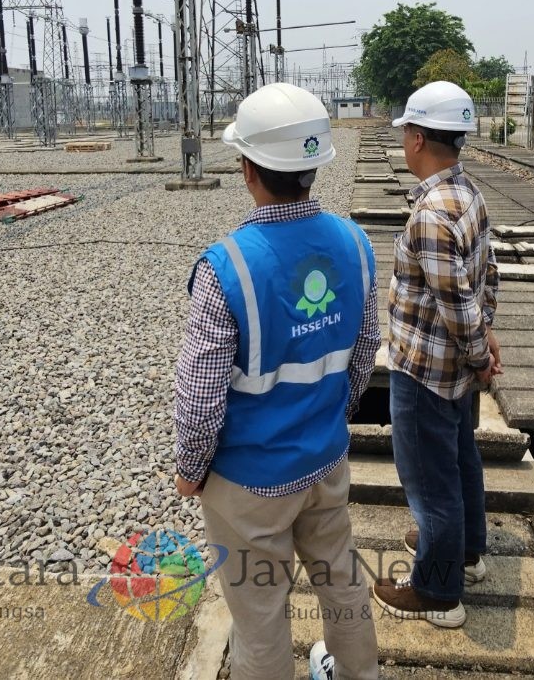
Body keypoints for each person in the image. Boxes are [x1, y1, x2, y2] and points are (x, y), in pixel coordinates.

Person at [173, 82, 380, 680]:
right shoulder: (356, 243)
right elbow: (365, 350)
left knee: (259, 613)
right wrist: (333, 417)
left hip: (251, 482)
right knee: (340, 579)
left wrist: (191, 467)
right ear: (314, 166)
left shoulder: (228, 266)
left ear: (248, 168)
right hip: (325, 460)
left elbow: (201, 394)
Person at [371, 81, 501, 628]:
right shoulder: (469, 194)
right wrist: (485, 342)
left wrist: (481, 355)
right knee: (460, 459)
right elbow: (485, 276)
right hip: (454, 373)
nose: (404, 140)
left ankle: (437, 592)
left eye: (406, 131)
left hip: (425, 371)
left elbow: (455, 304)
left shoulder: (431, 213)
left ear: (419, 138)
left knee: (429, 482)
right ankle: (464, 551)